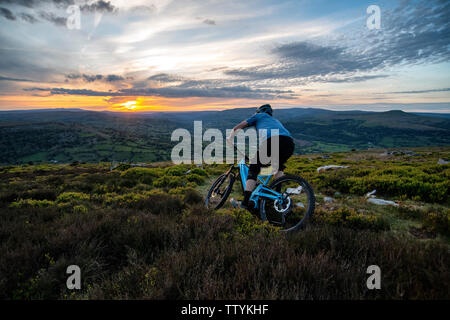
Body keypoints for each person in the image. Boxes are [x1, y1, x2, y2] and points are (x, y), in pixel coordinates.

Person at [227, 104, 295, 210]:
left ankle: (245, 203)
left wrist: (230, 137)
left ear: (259, 111)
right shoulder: (275, 120)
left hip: (273, 141)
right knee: (277, 166)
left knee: (254, 168)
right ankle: (278, 196)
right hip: (289, 143)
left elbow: (240, 126)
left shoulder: (258, 116)